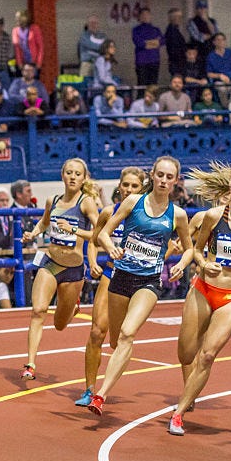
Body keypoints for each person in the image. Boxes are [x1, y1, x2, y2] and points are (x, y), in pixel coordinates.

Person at [167, 165, 231, 435]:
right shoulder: (214, 217)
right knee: (186, 353)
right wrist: (203, 265)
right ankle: (189, 391)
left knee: (208, 355)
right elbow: (198, 251)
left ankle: (178, 413)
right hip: (203, 288)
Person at [87, 156, 194, 414]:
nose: (164, 181)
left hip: (148, 281)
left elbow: (190, 249)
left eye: (170, 177)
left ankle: (100, 395)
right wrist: (111, 247)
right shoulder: (134, 202)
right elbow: (101, 233)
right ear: (153, 176)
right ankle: (120, 357)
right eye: (160, 175)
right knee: (115, 340)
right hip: (121, 277)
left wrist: (181, 264)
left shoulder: (177, 215)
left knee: (127, 333)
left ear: (176, 181)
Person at [19, 158, 100, 380]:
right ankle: (30, 364)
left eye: (77, 174)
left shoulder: (86, 203)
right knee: (38, 311)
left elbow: (100, 233)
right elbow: (44, 223)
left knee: (60, 325)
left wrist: (75, 231)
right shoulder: (52, 200)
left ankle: (72, 306)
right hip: (50, 262)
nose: (73, 177)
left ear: (84, 178)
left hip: (73, 271)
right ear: (62, 175)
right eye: (69, 172)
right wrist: (33, 234)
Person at [76, 166, 145, 406]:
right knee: (96, 332)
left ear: (142, 188)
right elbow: (94, 240)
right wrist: (93, 262)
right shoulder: (108, 212)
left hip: (136, 279)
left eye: (134, 186)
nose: (128, 189)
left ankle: (108, 382)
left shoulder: (149, 216)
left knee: (117, 341)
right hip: (110, 274)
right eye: (125, 184)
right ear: (119, 185)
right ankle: (90, 389)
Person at [132, 8, 164, 86]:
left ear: (150, 16)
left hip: (154, 61)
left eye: (147, 14)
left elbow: (162, 42)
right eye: (143, 15)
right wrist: (154, 42)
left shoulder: (156, 29)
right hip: (142, 62)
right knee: (142, 86)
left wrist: (147, 43)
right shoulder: (136, 30)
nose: (145, 16)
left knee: (153, 86)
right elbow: (140, 43)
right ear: (139, 17)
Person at [165, 8, 189, 78]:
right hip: (177, 63)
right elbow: (175, 49)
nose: (179, 19)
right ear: (171, 18)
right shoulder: (171, 31)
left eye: (180, 17)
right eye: (177, 16)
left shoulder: (176, 30)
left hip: (178, 62)